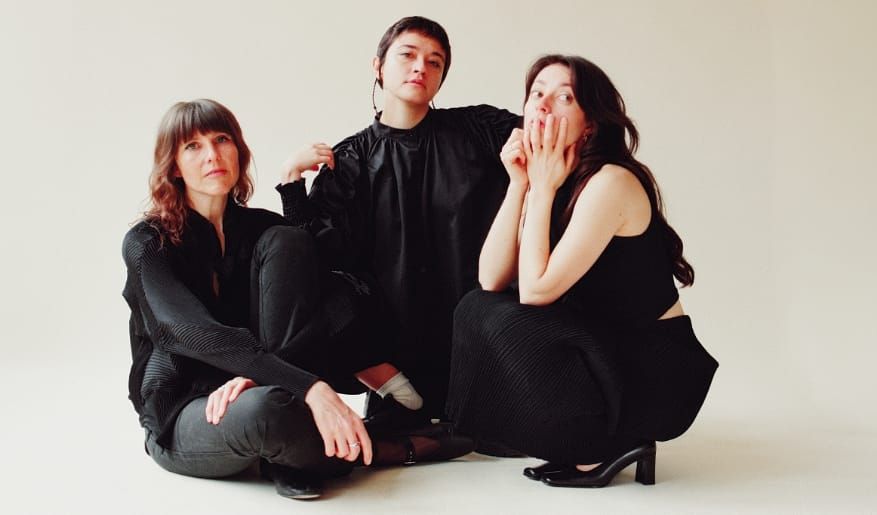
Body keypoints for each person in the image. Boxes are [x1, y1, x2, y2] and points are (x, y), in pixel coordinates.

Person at [121, 99, 470, 500]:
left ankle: (294, 453)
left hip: (267, 386)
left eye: (221, 139)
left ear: (239, 150)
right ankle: (392, 447)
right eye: (193, 147)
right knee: (264, 414)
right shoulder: (148, 243)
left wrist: (291, 184)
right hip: (188, 409)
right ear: (173, 166)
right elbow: (187, 332)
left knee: (290, 245)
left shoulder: (257, 230)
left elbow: (321, 269)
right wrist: (311, 388)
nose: (213, 155)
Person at [446, 55, 719, 487]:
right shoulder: (548, 179)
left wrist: (543, 188)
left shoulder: (610, 181)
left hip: (652, 373)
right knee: (477, 308)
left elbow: (536, 293)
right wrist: (521, 184)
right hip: (604, 350)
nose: (543, 105)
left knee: (513, 320)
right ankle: (580, 438)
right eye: (537, 93)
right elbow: (490, 279)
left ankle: (600, 445)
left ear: (589, 123)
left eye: (563, 97)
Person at [277, 16, 520, 431]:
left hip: (478, 333)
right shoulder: (349, 160)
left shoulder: (478, 130)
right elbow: (310, 259)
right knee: (298, 280)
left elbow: (556, 135)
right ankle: (388, 382)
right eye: (408, 55)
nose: (420, 68)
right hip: (394, 342)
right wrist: (291, 183)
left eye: (435, 62)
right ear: (378, 67)